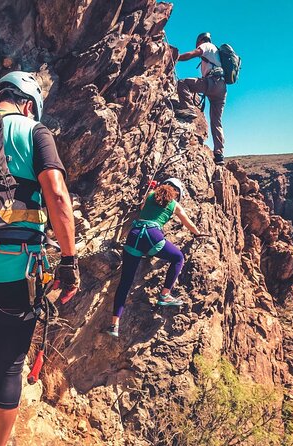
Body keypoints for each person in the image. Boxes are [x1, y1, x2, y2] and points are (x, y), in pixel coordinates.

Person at [0, 71, 80, 446]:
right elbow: (56, 196)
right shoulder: (34, 132)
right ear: (29, 104)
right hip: (15, 268)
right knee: (10, 363)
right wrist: (69, 260)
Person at [106, 178, 203, 337]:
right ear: (177, 193)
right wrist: (198, 234)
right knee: (178, 257)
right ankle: (165, 295)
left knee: (125, 283)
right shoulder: (175, 205)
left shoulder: (150, 194)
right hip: (152, 236)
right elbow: (189, 224)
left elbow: (144, 208)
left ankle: (114, 325)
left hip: (134, 235)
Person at [175, 32, 227, 166]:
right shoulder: (216, 53)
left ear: (201, 40)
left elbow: (193, 54)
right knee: (217, 122)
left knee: (183, 83)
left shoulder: (206, 45)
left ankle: (188, 109)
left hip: (211, 82)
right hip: (221, 88)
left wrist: (177, 57)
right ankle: (219, 155)